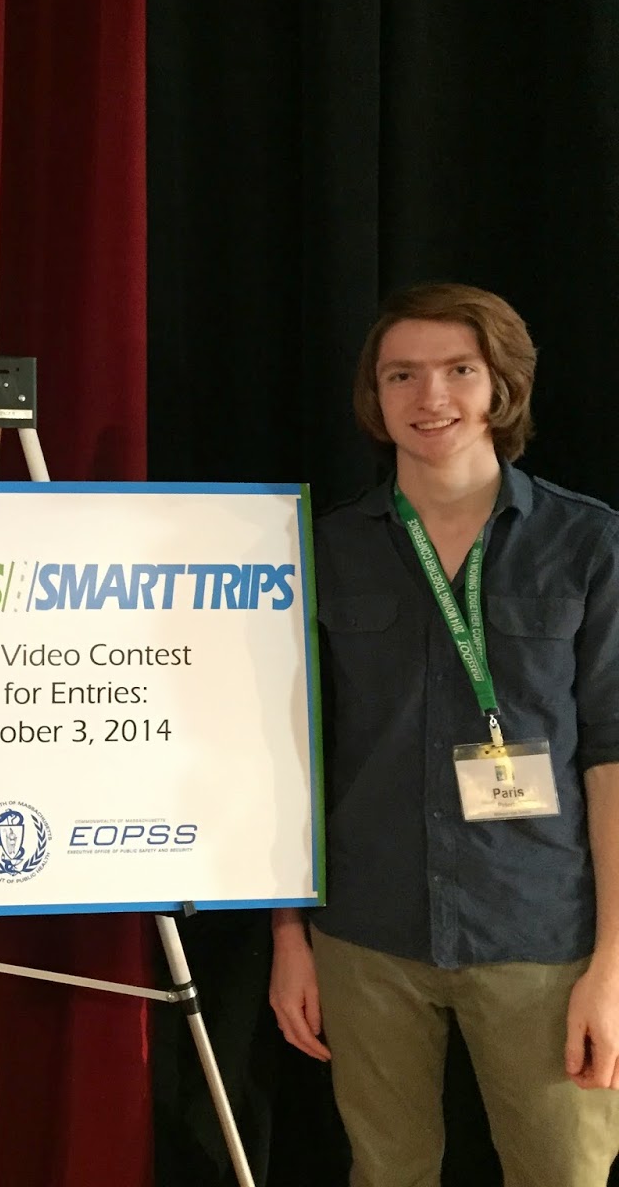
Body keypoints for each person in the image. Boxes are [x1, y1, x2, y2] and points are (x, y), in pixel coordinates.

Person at [269, 282, 619, 1185]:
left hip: (544, 933)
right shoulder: (322, 549)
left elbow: (612, 758)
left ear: (502, 386)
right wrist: (289, 937)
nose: (431, 397)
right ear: (375, 395)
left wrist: (614, 965)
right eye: (402, 374)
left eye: (459, 370)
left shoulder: (589, 545)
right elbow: (289, 754)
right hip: (365, 933)